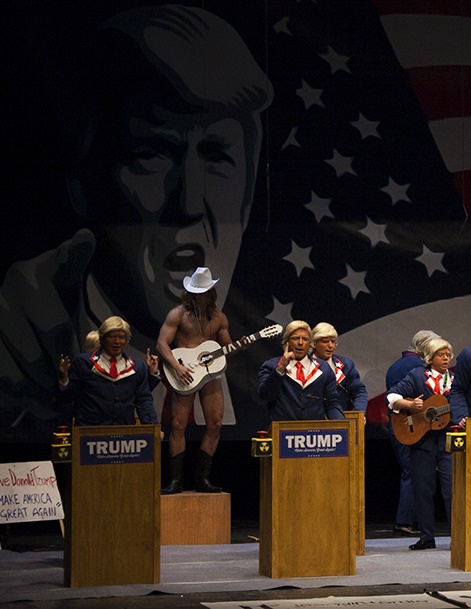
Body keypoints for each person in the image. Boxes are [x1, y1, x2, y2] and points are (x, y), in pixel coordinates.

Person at [0, 4, 272, 439]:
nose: (189, 201)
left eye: (218, 154)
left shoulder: (244, 340)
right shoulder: (21, 347)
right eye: (152, 154)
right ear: (83, 181)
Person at [157, 267, 243, 494]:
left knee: (215, 423)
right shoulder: (177, 314)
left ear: (209, 292)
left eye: (201, 291)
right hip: (184, 371)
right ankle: (176, 480)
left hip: (209, 374)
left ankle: (201, 479)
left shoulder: (218, 318)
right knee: (177, 425)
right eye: (194, 291)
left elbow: (226, 349)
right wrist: (177, 366)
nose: (197, 295)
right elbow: (162, 343)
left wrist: (241, 344)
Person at [385, 338, 455, 550]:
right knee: (423, 489)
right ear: (430, 358)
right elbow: (392, 395)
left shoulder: (455, 379)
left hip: (448, 440)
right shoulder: (416, 376)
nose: (446, 358)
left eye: (448, 354)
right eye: (441, 354)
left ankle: (458, 535)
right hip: (421, 440)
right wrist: (410, 404)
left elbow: (461, 402)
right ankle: (427, 536)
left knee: (452, 488)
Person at [384, 330, 440, 536]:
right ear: (424, 347)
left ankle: (409, 520)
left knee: (410, 472)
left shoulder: (394, 366)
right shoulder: (419, 368)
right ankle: (405, 521)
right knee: (413, 473)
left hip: (398, 426)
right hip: (413, 427)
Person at [57, 316, 159, 427]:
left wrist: (153, 428)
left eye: (121, 337)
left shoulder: (137, 367)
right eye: (112, 336)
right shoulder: (83, 363)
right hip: (89, 432)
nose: (117, 341)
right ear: (102, 339)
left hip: (125, 433)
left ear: (126, 340)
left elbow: (144, 400)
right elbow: (67, 397)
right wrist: (64, 379)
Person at [258, 321, 343, 421]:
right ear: (286, 342)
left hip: (315, 432)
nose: (300, 343)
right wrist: (281, 368)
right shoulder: (271, 366)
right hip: (283, 432)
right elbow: (265, 396)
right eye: (295, 338)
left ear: (310, 343)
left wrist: (343, 426)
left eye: (305, 339)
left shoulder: (323, 368)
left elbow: (332, 404)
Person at [311, 323, 369, 413]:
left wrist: (358, 413)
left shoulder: (346, 365)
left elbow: (359, 391)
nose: (330, 346)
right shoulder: (302, 366)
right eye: (325, 341)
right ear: (314, 343)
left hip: (340, 420)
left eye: (333, 341)